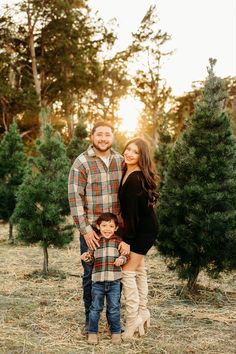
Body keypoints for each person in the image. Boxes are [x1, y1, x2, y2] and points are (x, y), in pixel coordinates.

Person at [68, 121, 127, 334]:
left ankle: (114, 319)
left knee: (117, 272)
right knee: (90, 274)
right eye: (99, 134)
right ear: (92, 136)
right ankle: (89, 319)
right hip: (92, 231)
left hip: (116, 231)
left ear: (112, 137)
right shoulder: (82, 162)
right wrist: (85, 229)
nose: (103, 138)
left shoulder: (121, 161)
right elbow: (75, 197)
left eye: (107, 134)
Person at [118, 137, 159, 340]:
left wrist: (127, 240)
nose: (129, 153)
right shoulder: (128, 171)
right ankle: (143, 312)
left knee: (127, 271)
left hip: (143, 230)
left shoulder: (135, 178)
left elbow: (132, 214)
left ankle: (132, 319)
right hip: (142, 227)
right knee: (139, 269)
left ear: (142, 157)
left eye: (135, 152)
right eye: (128, 149)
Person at [81, 212, 127, 345]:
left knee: (114, 307)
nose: (107, 229)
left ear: (116, 228)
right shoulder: (95, 242)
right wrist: (86, 257)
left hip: (114, 282)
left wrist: (121, 259)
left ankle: (116, 332)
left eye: (111, 226)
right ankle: (92, 332)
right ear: (98, 226)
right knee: (95, 308)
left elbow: (125, 256)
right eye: (104, 225)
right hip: (98, 283)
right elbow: (91, 259)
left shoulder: (118, 241)